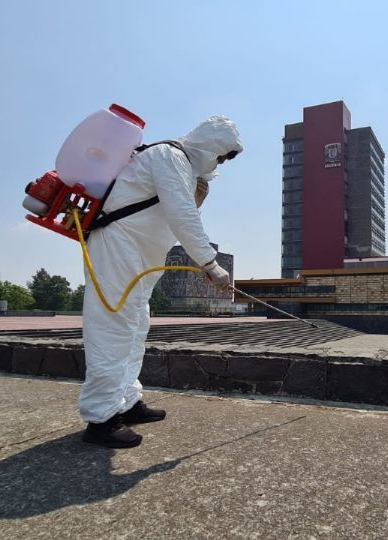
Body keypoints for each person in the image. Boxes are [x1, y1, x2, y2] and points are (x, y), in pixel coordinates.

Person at [80, 116, 242, 448]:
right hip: (118, 246)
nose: (219, 163)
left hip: (141, 257)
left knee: (136, 327)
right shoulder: (169, 157)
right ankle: (101, 418)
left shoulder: (183, 168)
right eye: (221, 155)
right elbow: (182, 213)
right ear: (210, 145)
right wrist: (209, 263)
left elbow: (177, 214)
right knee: (113, 328)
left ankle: (127, 402)